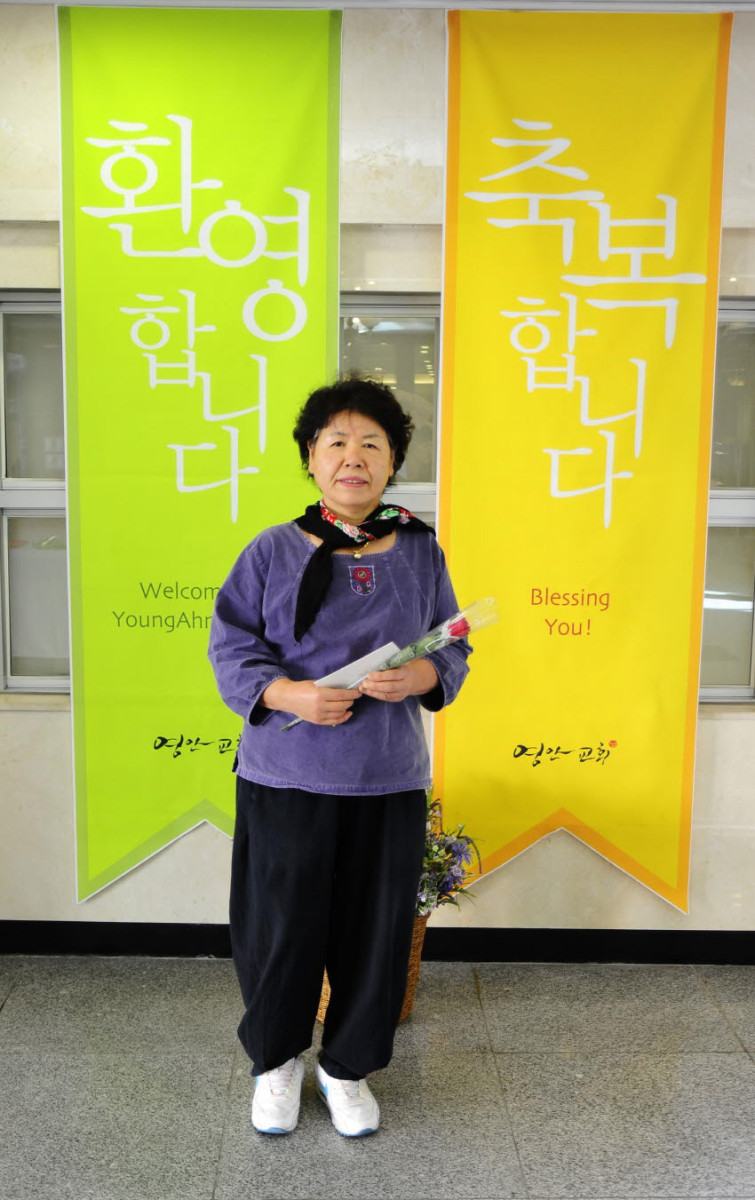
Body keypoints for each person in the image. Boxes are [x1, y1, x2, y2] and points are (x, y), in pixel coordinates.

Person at [208, 375, 470, 1138]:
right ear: (310, 458)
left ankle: (346, 1068)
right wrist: (288, 694)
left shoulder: (420, 549)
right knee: (279, 927)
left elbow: (453, 642)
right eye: (336, 442)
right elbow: (231, 646)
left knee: (375, 933)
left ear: (392, 463)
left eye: (371, 444)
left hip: (386, 778)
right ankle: (276, 1063)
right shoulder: (270, 550)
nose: (353, 457)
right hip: (285, 773)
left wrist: (421, 676)